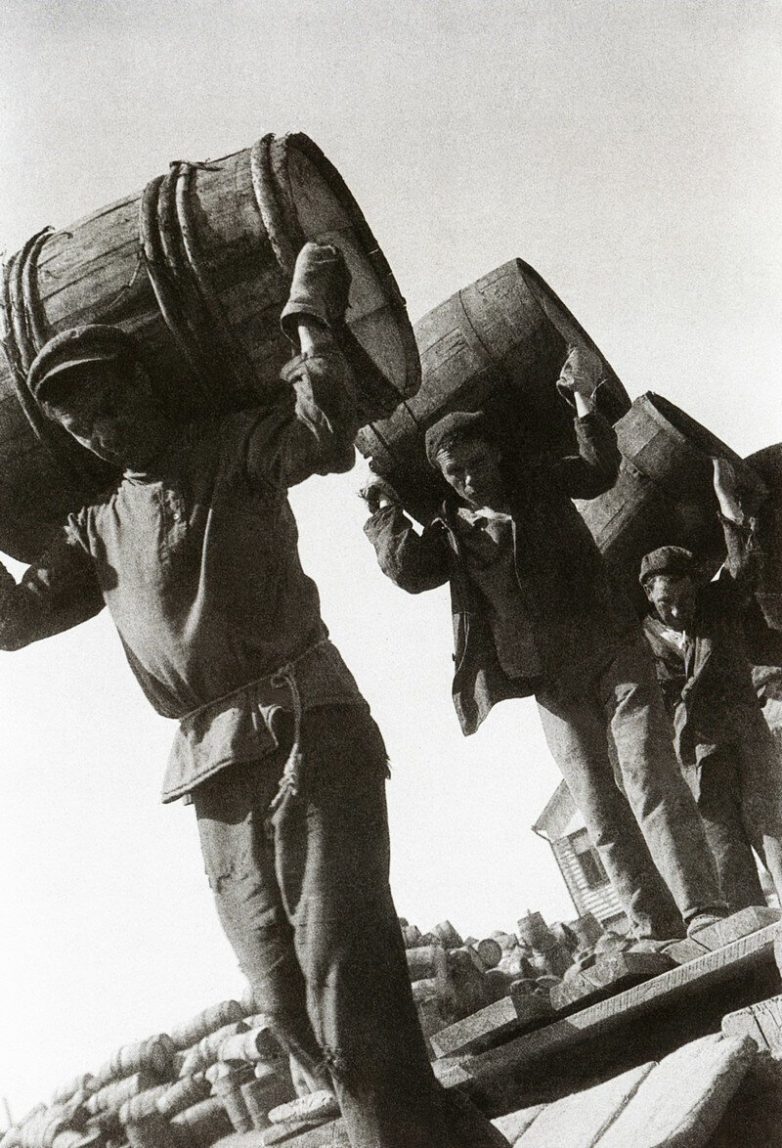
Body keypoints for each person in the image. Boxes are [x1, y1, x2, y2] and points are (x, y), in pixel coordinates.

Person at [0, 243, 505, 1148]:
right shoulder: (96, 523)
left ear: (144, 388)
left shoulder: (230, 446)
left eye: (109, 406)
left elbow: (323, 435)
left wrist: (309, 317)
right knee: (282, 997)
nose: (100, 431)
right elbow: (14, 621)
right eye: (80, 426)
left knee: (350, 985)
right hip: (211, 769)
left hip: (306, 722)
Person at [362, 346, 728, 946]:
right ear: (443, 478)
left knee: (649, 775)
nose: (470, 479)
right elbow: (407, 570)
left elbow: (599, 469)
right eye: (455, 474)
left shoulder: (536, 481)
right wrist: (383, 510)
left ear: (496, 454)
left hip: (611, 649)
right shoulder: (451, 531)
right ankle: (655, 928)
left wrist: (582, 400)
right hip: (549, 683)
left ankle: (701, 910)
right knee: (598, 808)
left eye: (477, 463)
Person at [640, 458, 782, 913]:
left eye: (685, 598)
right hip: (697, 760)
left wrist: (725, 498)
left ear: (697, 590)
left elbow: (745, 564)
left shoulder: (718, 607)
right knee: (728, 865)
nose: (677, 610)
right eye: (666, 602)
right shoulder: (641, 642)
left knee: (775, 835)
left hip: (746, 741)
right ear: (649, 595)